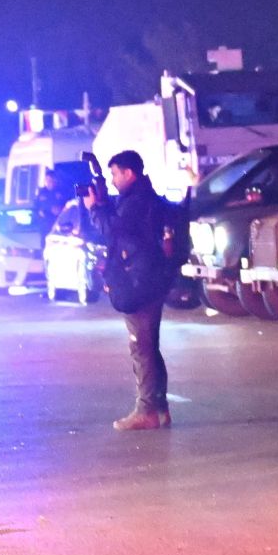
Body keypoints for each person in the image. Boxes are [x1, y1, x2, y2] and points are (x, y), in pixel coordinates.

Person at [84, 149, 174, 431]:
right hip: (148, 279)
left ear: (129, 173)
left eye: (115, 174)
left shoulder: (138, 200)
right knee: (149, 347)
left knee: (142, 348)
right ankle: (159, 409)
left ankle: (147, 411)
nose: (112, 180)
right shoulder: (139, 197)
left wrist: (94, 208)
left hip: (139, 282)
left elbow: (113, 230)